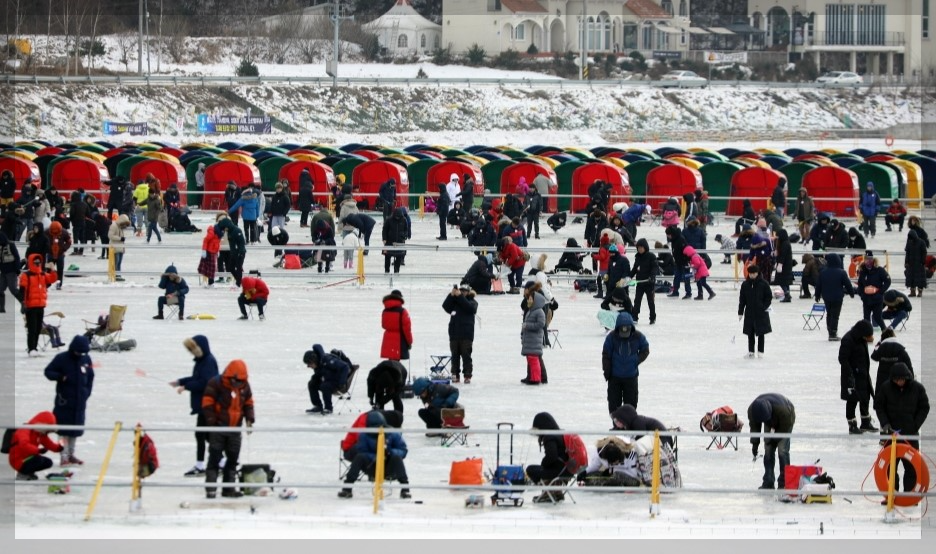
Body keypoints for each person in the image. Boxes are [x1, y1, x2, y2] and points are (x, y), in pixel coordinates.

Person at [201, 359, 254, 499]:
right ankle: (211, 489)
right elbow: (207, 403)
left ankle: (228, 489)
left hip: (235, 430)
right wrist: (212, 423)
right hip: (218, 429)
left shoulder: (244, 386)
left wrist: (249, 419)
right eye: (235, 381)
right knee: (214, 460)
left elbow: (248, 403)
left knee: (232, 460)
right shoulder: (216, 383)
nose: (237, 384)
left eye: (240, 381)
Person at [874, 362, 929, 496]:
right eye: (897, 380)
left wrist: (915, 425)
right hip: (891, 435)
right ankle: (891, 495)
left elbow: (924, 407)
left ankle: (909, 496)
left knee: (911, 467)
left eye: (902, 379)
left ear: (907, 378)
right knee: (890, 467)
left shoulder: (917, 388)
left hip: (910, 435)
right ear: (892, 379)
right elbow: (879, 406)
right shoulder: (886, 388)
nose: (900, 382)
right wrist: (885, 423)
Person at [170, 335, 220, 477]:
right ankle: (220, 462)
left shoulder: (208, 361)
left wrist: (185, 387)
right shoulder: (202, 361)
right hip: (203, 404)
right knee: (206, 436)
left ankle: (202, 465)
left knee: (203, 435)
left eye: (193, 349)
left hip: (208, 404)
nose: (192, 352)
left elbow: (205, 383)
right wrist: (180, 382)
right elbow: (196, 378)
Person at [43, 335, 94, 466]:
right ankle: (63, 456)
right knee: (63, 431)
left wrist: (86, 393)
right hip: (64, 401)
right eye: (78, 352)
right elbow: (48, 371)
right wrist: (60, 377)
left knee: (75, 430)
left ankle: (71, 454)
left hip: (79, 402)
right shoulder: (62, 358)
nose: (80, 354)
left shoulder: (86, 359)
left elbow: (90, 377)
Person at [338, 411, 410, 499]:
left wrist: (389, 452)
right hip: (371, 466)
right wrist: (376, 454)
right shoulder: (364, 435)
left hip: (388, 466)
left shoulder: (393, 433)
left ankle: (405, 489)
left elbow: (403, 450)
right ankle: (347, 488)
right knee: (359, 457)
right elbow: (362, 451)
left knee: (396, 458)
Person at [602, 311, 650, 413]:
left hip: (631, 377)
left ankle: (629, 428)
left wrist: (636, 360)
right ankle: (616, 426)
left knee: (631, 405)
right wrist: (607, 371)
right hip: (615, 377)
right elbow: (606, 354)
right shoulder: (611, 337)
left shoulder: (638, 336)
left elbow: (645, 349)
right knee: (614, 405)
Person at [748, 393, 795, 490]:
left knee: (782, 451)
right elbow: (755, 428)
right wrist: (755, 444)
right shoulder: (752, 411)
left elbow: (784, 428)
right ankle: (768, 482)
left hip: (786, 418)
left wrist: (774, 439)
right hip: (770, 419)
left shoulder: (784, 412)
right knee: (768, 449)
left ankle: (784, 483)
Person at [839, 319, 877, 435]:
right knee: (852, 400)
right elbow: (842, 359)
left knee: (865, 397)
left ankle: (866, 422)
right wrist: (850, 373)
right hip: (852, 376)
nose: (869, 338)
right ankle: (852, 425)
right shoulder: (848, 339)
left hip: (863, 374)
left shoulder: (861, 339)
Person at [19, 253, 60, 353]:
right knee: (32, 329)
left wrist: (53, 269)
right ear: (31, 263)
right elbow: (22, 290)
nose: (37, 264)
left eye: (39, 262)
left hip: (40, 305)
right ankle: (31, 348)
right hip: (30, 306)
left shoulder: (42, 274)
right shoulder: (26, 275)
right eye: (35, 262)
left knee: (38, 329)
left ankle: (34, 347)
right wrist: (23, 303)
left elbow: (52, 278)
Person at [527, 412, 572, 502]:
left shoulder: (549, 437)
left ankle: (548, 493)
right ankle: (557, 492)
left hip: (558, 471)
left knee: (530, 469)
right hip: (567, 471)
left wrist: (543, 464)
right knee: (543, 468)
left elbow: (551, 456)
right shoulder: (561, 433)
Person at [7, 411, 64, 480]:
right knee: (38, 460)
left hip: (28, 458)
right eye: (47, 430)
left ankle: (29, 473)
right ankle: (22, 474)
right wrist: (38, 450)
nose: (47, 432)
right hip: (18, 460)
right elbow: (24, 445)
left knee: (48, 462)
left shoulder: (39, 434)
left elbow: (49, 444)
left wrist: (59, 448)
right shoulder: (24, 430)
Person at [815, 254, 856, 341]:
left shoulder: (823, 272)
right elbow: (848, 284)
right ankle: (833, 333)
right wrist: (851, 293)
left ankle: (830, 331)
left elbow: (818, 285)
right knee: (835, 315)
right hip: (837, 297)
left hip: (826, 297)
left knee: (829, 314)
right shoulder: (841, 272)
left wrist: (817, 295)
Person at [442, 283, 478, 384]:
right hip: (454, 333)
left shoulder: (473, 302)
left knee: (466, 355)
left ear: (468, 292)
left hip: (466, 334)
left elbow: (470, 309)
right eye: (461, 291)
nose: (462, 292)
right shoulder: (455, 302)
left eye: (464, 291)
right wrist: (451, 295)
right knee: (455, 356)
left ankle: (467, 375)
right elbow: (445, 306)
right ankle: (455, 375)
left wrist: (460, 296)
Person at [303, 344, 350, 415]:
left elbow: (345, 367)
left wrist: (341, 383)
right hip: (329, 380)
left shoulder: (329, 360)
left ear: (314, 360)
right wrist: (315, 378)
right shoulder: (318, 364)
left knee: (325, 386)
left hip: (338, 381)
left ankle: (328, 408)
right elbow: (321, 373)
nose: (308, 366)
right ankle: (318, 406)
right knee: (312, 383)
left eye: (309, 363)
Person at [738, 264, 772, 358]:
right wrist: (740, 312)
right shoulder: (745, 284)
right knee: (750, 333)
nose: (752, 275)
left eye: (754, 273)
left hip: (761, 313)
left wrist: (764, 306)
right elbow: (742, 299)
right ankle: (751, 351)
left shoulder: (764, 283)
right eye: (750, 274)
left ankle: (761, 351)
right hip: (749, 313)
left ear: (757, 273)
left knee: (761, 332)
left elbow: (768, 296)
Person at [871, 328, 914, 397]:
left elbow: (874, 357)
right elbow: (908, 365)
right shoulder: (900, 349)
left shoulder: (881, 348)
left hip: (882, 380)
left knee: (883, 400)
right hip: (898, 380)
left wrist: (879, 344)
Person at [520, 280, 547, 385]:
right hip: (530, 336)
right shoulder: (531, 307)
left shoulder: (538, 304)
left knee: (535, 357)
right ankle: (532, 376)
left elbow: (541, 323)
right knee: (531, 356)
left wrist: (527, 326)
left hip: (535, 337)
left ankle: (538, 378)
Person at [856, 252, 890, 332]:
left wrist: (880, 292)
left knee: (877, 317)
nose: (868, 261)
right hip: (866, 299)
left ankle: (885, 331)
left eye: (870, 259)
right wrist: (862, 295)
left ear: (873, 259)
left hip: (877, 299)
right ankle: (867, 335)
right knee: (866, 319)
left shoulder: (880, 270)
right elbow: (860, 284)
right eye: (867, 259)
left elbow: (888, 281)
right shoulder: (862, 271)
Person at [629, 238, 657, 324]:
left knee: (650, 301)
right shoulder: (637, 257)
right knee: (637, 301)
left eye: (641, 247)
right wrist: (628, 277)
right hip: (640, 283)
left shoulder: (651, 256)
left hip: (649, 283)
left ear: (645, 247)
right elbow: (634, 269)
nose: (640, 249)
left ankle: (652, 317)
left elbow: (654, 268)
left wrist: (652, 277)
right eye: (638, 248)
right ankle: (635, 317)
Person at [380, 289, 413, 361]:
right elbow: (407, 329)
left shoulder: (385, 311)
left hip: (387, 338)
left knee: (391, 361)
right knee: (396, 363)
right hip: (399, 339)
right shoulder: (402, 311)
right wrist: (409, 342)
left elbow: (383, 325)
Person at [215, 215, 246, 286]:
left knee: (239, 268)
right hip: (233, 253)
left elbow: (242, 242)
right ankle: (239, 280)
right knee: (231, 268)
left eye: (225, 228)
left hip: (239, 253)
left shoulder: (237, 230)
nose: (224, 230)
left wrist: (240, 252)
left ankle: (239, 283)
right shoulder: (229, 231)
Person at [45, 220, 71, 289]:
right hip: (50, 254)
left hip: (60, 254)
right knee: (48, 269)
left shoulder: (64, 232)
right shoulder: (46, 232)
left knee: (60, 270)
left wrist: (64, 249)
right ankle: (48, 283)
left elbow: (69, 242)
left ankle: (59, 283)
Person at [0, 230, 21, 313]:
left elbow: (17, 257)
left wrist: (17, 269)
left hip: (11, 271)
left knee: (13, 289)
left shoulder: (11, 245)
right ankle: (1, 307)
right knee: (0, 289)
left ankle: (24, 303)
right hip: (3, 272)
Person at [382, 207, 408, 274]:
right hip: (389, 242)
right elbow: (384, 230)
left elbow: (406, 230)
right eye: (396, 217)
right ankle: (386, 270)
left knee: (399, 257)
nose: (397, 218)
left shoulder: (404, 220)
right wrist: (384, 238)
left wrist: (404, 236)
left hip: (399, 242)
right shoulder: (389, 220)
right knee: (387, 257)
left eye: (398, 217)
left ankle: (396, 271)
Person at [904, 229, 928, 297]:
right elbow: (907, 253)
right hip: (911, 264)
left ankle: (920, 292)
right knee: (911, 278)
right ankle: (912, 291)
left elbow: (924, 252)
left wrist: (923, 261)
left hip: (919, 264)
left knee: (920, 278)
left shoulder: (921, 242)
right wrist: (906, 262)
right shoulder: (909, 242)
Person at [773, 229, 794, 302]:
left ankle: (787, 294)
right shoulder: (784, 242)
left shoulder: (785, 244)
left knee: (781, 281)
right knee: (786, 282)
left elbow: (783, 255)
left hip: (784, 266)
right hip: (786, 265)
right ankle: (787, 295)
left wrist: (780, 264)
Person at [198, 221, 221, 286]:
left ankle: (210, 282)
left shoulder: (219, 232)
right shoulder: (212, 232)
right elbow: (205, 240)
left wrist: (218, 250)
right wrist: (204, 250)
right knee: (210, 267)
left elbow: (218, 242)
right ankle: (209, 282)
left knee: (211, 268)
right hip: (209, 251)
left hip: (214, 251)